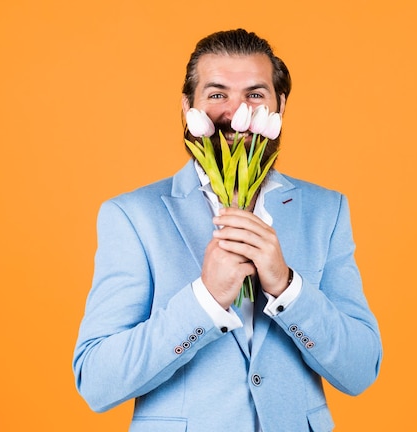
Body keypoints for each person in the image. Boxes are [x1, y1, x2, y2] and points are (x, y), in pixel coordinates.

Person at [73, 28, 382, 432]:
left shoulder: (327, 211)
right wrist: (205, 300)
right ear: (188, 106)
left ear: (280, 105)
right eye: (217, 94)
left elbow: (360, 371)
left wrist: (288, 288)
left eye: (256, 94)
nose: (238, 111)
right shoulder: (132, 216)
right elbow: (97, 382)